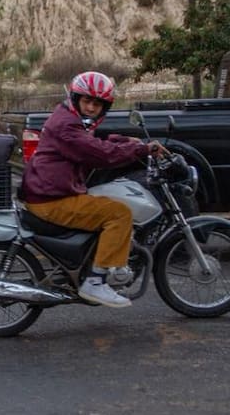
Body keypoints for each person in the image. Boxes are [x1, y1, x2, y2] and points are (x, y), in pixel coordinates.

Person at [20, 71, 165, 308]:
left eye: (96, 104)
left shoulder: (70, 119)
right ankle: (96, 282)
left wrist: (127, 141)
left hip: (51, 190)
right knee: (119, 213)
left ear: (103, 107)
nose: (90, 108)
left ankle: (94, 265)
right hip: (51, 198)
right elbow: (99, 153)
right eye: (86, 101)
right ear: (76, 99)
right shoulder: (66, 125)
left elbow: (94, 141)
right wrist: (140, 151)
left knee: (104, 201)